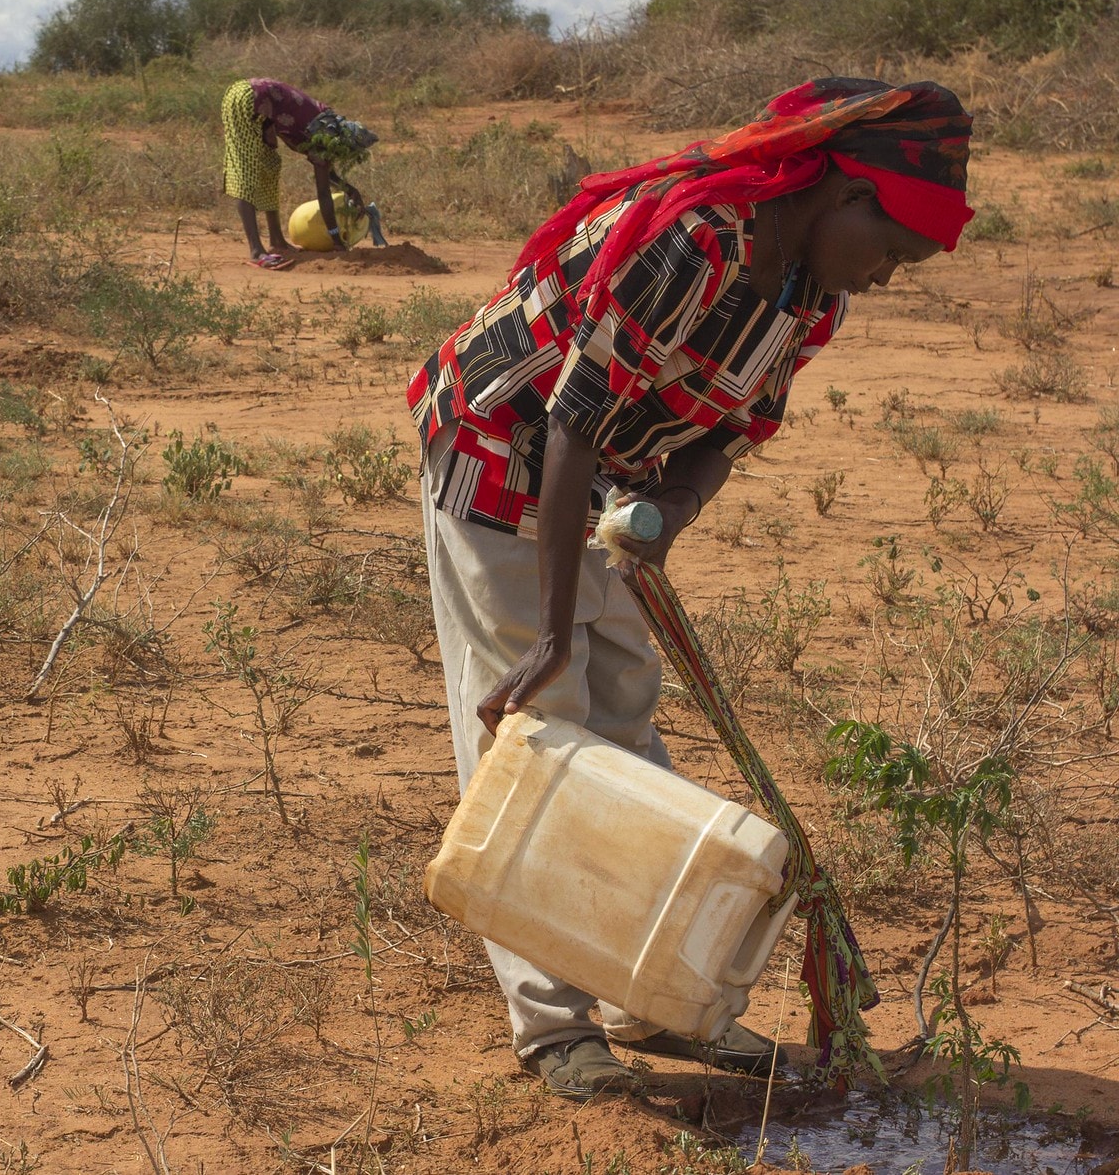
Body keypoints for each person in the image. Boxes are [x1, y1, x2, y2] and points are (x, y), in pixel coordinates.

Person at [407, 78, 972, 1098]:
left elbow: (729, 432)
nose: (884, 278)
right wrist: (547, 633)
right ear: (842, 195)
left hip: (597, 485)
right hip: (498, 457)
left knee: (620, 715)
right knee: (536, 732)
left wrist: (667, 514)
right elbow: (572, 420)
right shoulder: (690, 244)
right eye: (888, 249)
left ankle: (642, 991)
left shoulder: (813, 293)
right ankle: (551, 1026)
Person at [219, 77, 376, 268]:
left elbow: (328, 173)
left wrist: (351, 190)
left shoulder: (330, 127)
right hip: (250, 98)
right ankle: (256, 251)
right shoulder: (326, 136)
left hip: (257, 99)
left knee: (269, 167)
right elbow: (323, 192)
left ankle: (277, 240)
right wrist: (336, 240)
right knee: (246, 170)